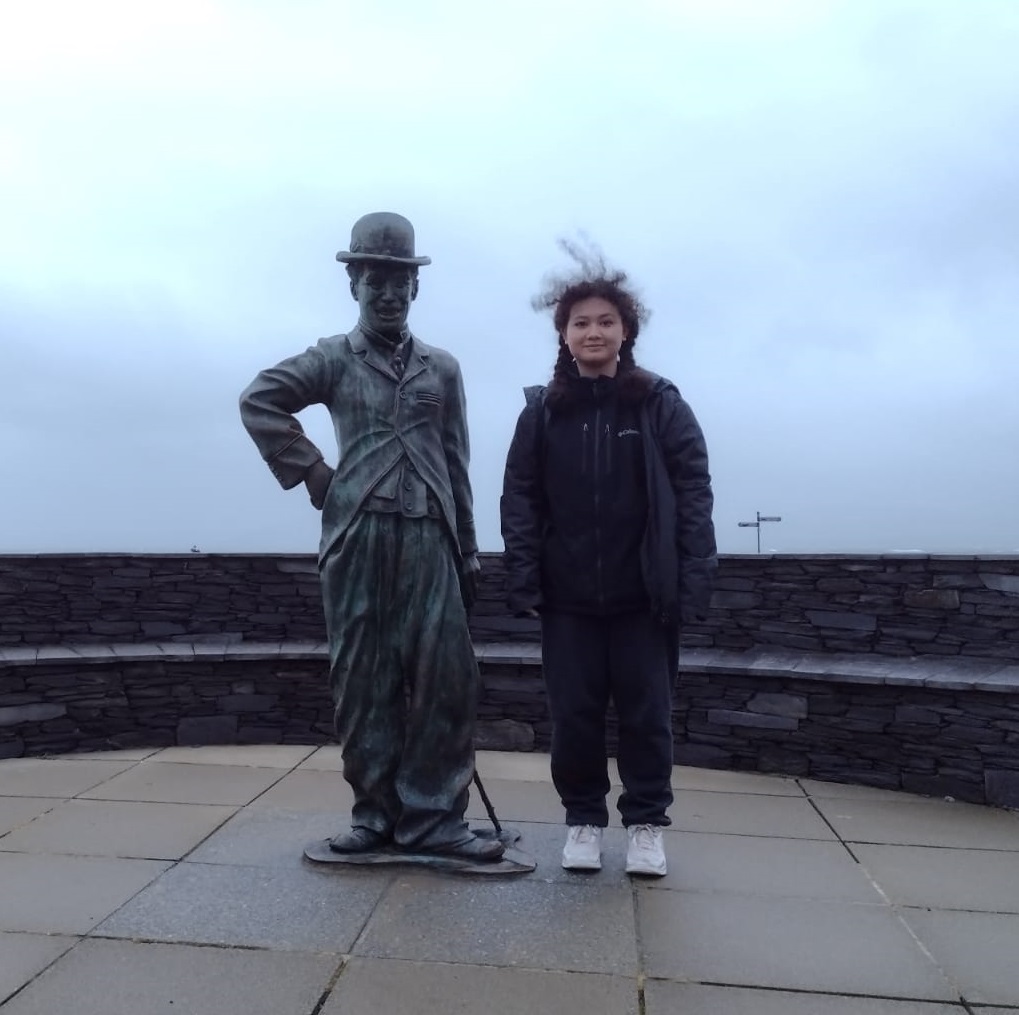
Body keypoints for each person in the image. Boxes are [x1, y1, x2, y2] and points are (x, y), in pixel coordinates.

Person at [240, 211, 502, 862]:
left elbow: (456, 460)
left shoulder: (442, 368)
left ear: (415, 287)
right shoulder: (333, 357)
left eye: (398, 281)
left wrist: (468, 546)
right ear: (354, 283)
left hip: (430, 537)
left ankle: (434, 817)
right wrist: (314, 474)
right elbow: (260, 399)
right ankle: (375, 814)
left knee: (448, 678)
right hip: (358, 536)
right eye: (374, 280)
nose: (388, 293)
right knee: (363, 678)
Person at [500, 247, 716, 876]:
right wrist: (525, 578)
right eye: (580, 323)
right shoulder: (542, 412)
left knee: (648, 717)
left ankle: (646, 824)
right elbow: (520, 498)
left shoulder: (659, 404)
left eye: (605, 321)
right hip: (567, 599)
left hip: (644, 597)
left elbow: (694, 492)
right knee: (574, 717)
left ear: (626, 332)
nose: (592, 332)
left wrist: (693, 578)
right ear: (564, 335)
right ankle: (584, 820)